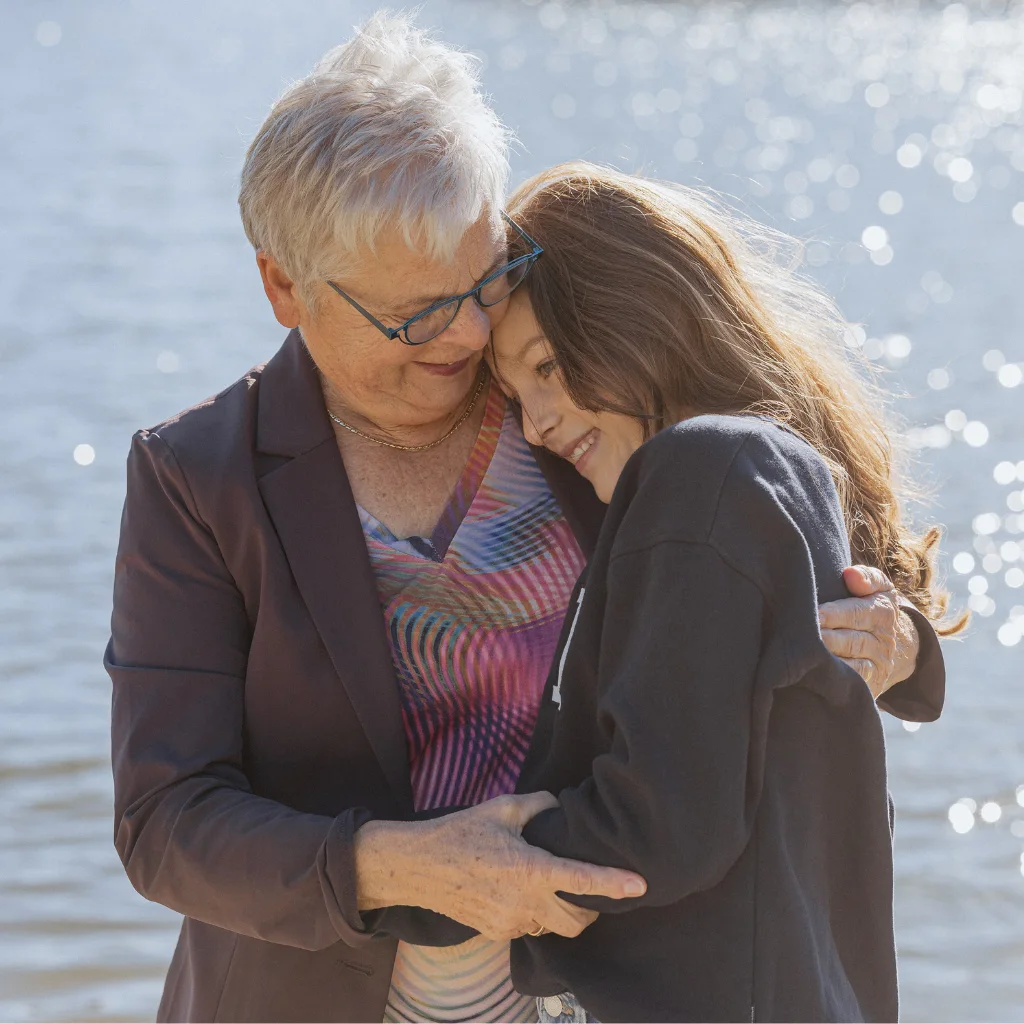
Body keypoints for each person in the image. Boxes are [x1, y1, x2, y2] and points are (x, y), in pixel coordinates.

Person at [106, 15, 945, 1023]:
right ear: (285, 286)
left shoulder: (568, 396)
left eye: (483, 279)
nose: (465, 333)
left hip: (612, 992)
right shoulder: (197, 477)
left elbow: (770, 521)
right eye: (417, 314)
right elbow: (166, 821)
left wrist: (896, 641)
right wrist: (392, 864)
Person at [484, 164, 965, 1023]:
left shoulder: (696, 475)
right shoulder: (766, 476)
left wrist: (462, 871)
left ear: (639, 313)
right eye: (515, 394)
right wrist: (915, 651)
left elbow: (660, 823)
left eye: (548, 366)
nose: (536, 422)